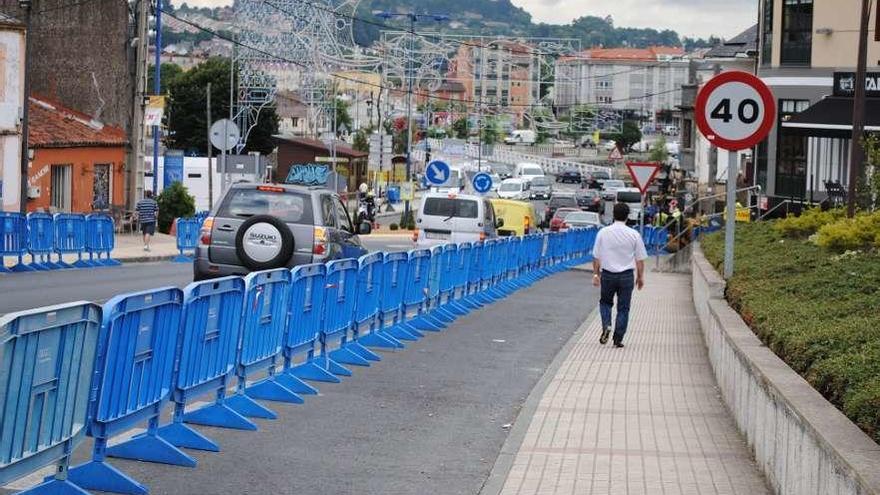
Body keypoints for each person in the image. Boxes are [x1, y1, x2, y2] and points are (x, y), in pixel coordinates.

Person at [592, 202, 648, 348]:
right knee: (623, 308)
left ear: (613, 215)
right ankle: (618, 339)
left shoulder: (603, 233)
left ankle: (606, 325)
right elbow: (639, 259)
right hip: (626, 276)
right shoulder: (634, 234)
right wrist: (640, 277)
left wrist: (596, 275)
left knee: (605, 303)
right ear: (627, 216)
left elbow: (596, 257)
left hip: (608, 274)